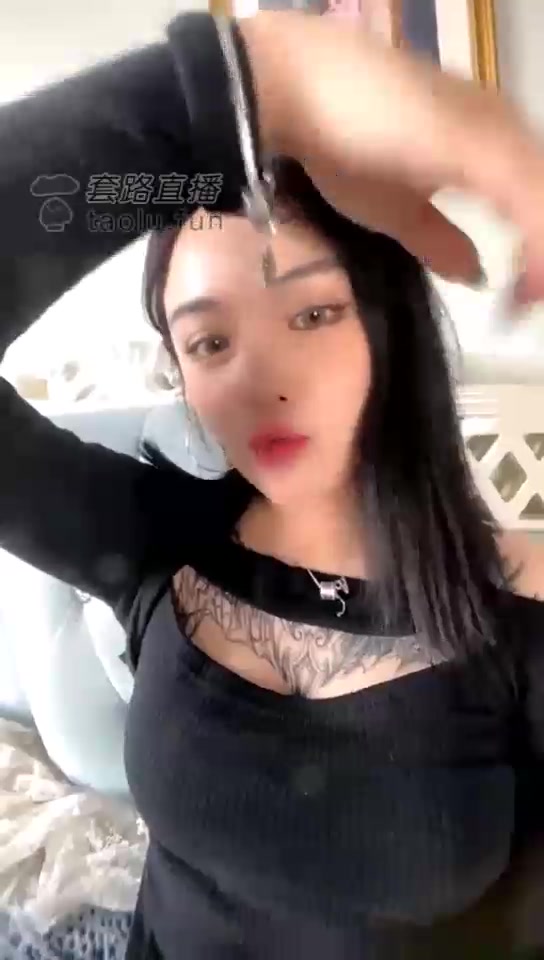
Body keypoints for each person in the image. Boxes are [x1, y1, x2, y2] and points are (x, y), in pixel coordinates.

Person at [3, 8, 544, 958]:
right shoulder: (153, 539)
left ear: (388, 327)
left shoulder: (519, 603)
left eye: (313, 314)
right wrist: (253, 87)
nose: (268, 384)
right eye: (211, 341)